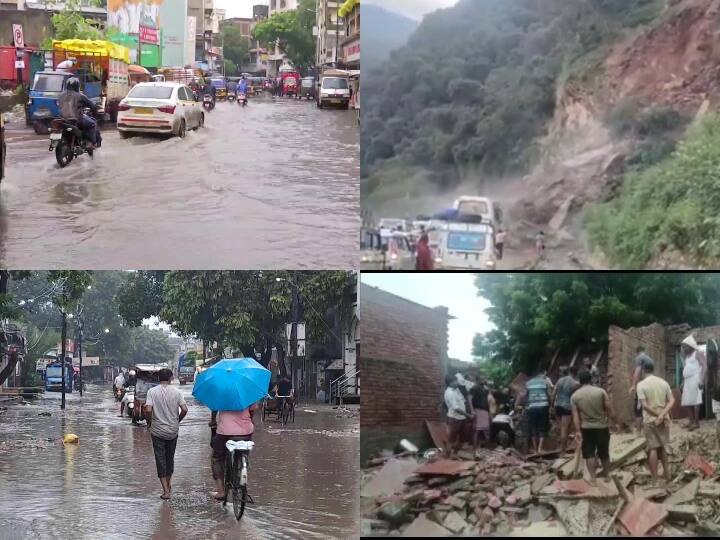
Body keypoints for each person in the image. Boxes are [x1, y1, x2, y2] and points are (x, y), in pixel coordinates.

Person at [144, 368, 188, 500]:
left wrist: (149, 422)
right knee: (170, 458)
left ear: (158, 378)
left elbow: (147, 409)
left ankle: (166, 491)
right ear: (171, 378)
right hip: (172, 431)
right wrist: (177, 421)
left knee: (160, 459)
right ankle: (169, 484)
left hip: (157, 430)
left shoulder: (152, 392)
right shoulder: (177, 392)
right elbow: (185, 410)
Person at [571, 369, 616, 485]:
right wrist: (616, 423)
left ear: (580, 381)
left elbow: (575, 416)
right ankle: (607, 475)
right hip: (601, 427)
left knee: (589, 453)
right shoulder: (601, 392)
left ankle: (593, 478)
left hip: (586, 428)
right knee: (604, 453)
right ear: (591, 379)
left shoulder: (575, 396)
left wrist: (577, 431)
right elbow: (609, 410)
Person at [636, 358, 675, 486]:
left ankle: (655, 479)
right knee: (662, 447)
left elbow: (644, 406)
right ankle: (668, 475)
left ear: (643, 370)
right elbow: (672, 400)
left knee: (652, 448)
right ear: (653, 369)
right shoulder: (663, 382)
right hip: (663, 420)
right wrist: (663, 415)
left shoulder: (641, 385)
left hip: (650, 420)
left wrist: (658, 415)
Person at [211, 401, 260, 500]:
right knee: (242, 451)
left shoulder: (221, 392)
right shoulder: (247, 391)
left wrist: (213, 421)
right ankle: (242, 465)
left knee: (217, 458)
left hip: (225, 431)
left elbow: (214, 409)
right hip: (246, 431)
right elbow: (253, 410)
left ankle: (221, 491)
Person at [57, 77, 98, 149]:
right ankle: (90, 143)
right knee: (92, 124)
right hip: (76, 119)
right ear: (77, 86)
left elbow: (59, 105)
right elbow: (92, 106)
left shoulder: (61, 95)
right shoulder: (80, 96)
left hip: (62, 119)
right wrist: (95, 111)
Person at [680, 334, 706, 430]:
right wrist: (683, 381)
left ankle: (696, 423)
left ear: (690, 345)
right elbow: (686, 369)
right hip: (687, 381)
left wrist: (701, 380)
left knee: (696, 402)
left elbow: (704, 366)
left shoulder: (698, 353)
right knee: (686, 402)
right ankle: (691, 421)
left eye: (685, 346)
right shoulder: (687, 356)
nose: (684, 348)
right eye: (683, 347)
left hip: (696, 379)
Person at [552, 365, 580, 454]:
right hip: (566, 406)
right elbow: (576, 397)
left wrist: (552, 405)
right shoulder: (575, 383)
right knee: (564, 429)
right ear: (576, 373)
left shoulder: (560, 380)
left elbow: (553, 394)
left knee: (560, 428)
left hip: (557, 405)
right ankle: (562, 451)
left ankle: (558, 447)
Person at [444, 375, 471, 457]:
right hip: (454, 418)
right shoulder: (449, 393)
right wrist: (468, 415)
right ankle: (448, 455)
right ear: (450, 383)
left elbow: (463, 400)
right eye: (455, 381)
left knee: (463, 438)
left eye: (456, 381)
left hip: (462, 418)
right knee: (452, 438)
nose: (457, 382)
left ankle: (455, 453)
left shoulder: (456, 390)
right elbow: (456, 408)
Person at [525, 368, 551, 454]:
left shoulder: (528, 383)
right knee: (542, 427)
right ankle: (540, 449)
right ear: (540, 374)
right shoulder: (545, 382)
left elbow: (527, 396)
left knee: (533, 428)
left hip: (532, 407)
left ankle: (535, 450)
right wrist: (550, 405)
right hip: (544, 406)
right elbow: (549, 395)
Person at [630, 346, 654, 434]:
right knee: (648, 406)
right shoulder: (650, 359)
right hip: (650, 385)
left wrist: (633, 385)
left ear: (637, 352)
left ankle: (638, 431)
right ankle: (648, 429)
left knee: (638, 408)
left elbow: (637, 372)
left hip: (643, 386)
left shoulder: (639, 358)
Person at [469, 376, 496, 450]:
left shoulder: (485, 389)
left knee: (486, 430)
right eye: (482, 378)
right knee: (477, 431)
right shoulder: (474, 388)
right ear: (478, 380)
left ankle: (483, 447)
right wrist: (472, 410)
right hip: (478, 410)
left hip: (485, 411)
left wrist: (489, 413)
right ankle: (474, 448)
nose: (484, 380)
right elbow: (469, 399)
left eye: (484, 378)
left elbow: (487, 401)